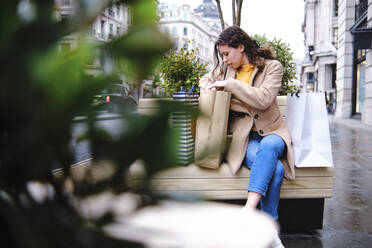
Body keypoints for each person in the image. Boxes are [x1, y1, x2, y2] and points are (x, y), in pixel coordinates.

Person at [199, 26, 295, 248]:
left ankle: (248, 210)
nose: (224, 59)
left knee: (270, 146)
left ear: (240, 47)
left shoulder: (272, 67)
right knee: (277, 169)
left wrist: (230, 85)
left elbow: (263, 99)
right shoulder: (225, 70)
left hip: (273, 132)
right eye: (222, 55)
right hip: (246, 139)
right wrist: (210, 86)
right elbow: (204, 80)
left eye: (227, 53)